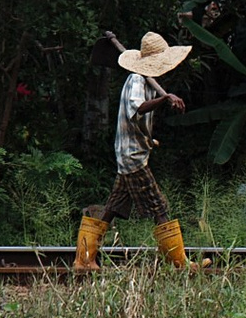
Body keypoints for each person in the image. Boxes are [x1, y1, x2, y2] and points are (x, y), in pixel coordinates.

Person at [74, 30, 207, 270]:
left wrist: (164, 97)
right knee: (160, 207)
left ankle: (84, 259)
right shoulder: (136, 80)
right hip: (133, 157)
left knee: (112, 207)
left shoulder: (146, 80)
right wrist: (165, 100)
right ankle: (179, 263)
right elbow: (139, 109)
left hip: (133, 155)